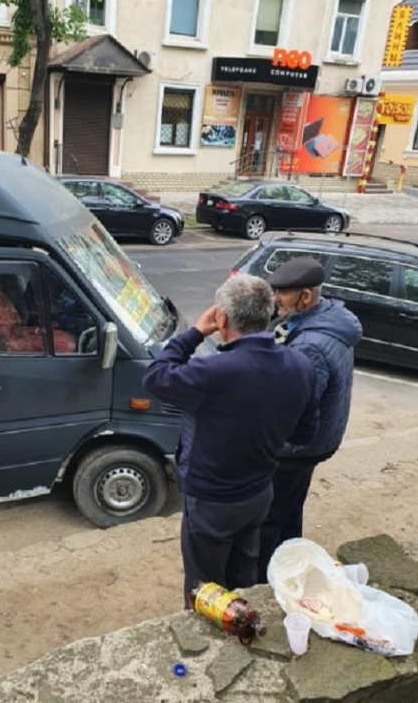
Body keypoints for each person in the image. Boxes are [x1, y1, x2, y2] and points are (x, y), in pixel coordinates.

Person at [142, 275, 319, 600]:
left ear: (221, 319)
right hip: (259, 492)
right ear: (269, 313)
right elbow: (306, 431)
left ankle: (210, 645)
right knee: (244, 573)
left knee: (205, 589)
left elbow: (155, 377)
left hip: (212, 499)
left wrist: (194, 333)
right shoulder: (301, 365)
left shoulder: (213, 372)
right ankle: (244, 629)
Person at [257, 257, 362, 583]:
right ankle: (293, 565)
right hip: (319, 440)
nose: (276, 299)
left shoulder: (310, 345)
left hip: (299, 447)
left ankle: (267, 582)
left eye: (283, 294)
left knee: (270, 519)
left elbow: (298, 408)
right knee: (291, 509)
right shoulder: (330, 320)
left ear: (305, 297)